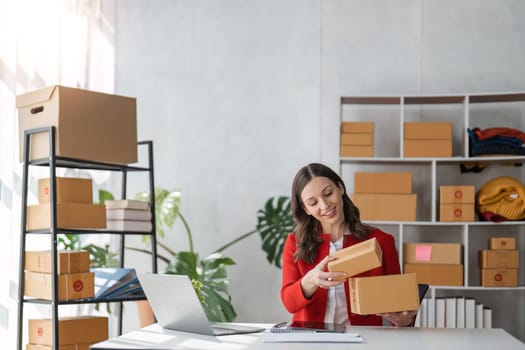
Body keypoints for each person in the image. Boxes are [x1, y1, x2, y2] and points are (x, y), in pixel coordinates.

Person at [281, 163, 417, 327]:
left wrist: (403, 321)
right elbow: (289, 303)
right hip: (311, 341)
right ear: (306, 209)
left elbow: (400, 305)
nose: (324, 206)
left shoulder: (381, 241)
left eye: (328, 193)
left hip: (364, 340)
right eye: (313, 202)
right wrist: (310, 280)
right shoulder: (295, 243)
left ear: (340, 188)